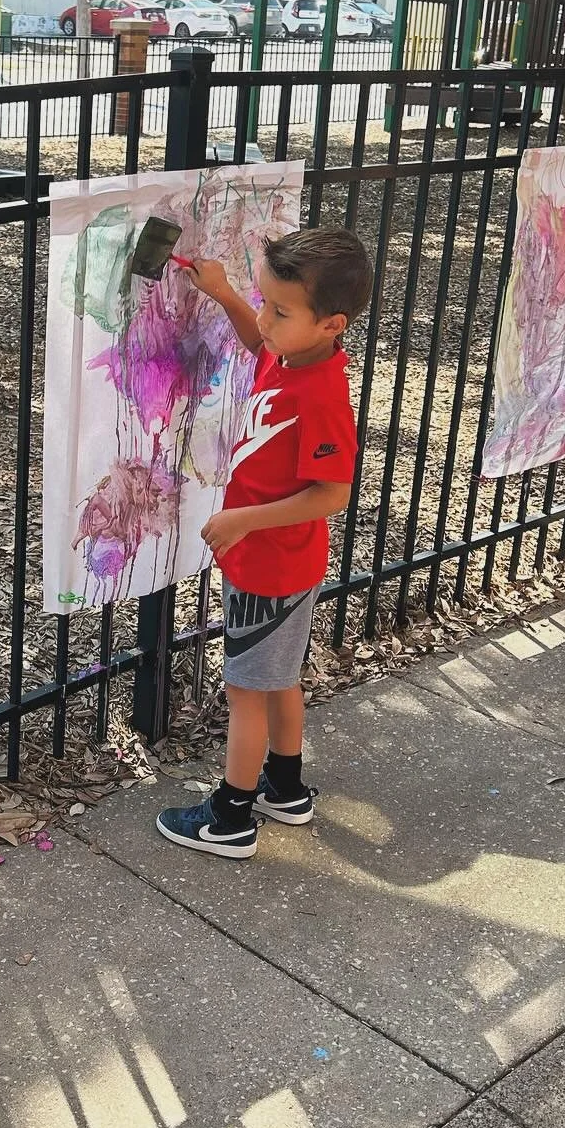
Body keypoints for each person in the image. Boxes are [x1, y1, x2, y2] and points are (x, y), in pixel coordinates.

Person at [156, 228, 373, 859]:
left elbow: (333, 493)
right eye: (266, 304)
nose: (267, 321)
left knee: (245, 692)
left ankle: (230, 817)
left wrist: (245, 520)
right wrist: (225, 294)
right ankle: (286, 787)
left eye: (280, 311)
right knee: (279, 680)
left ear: (331, 325)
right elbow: (257, 341)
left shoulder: (322, 394)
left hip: (271, 566)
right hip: (275, 560)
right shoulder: (290, 354)